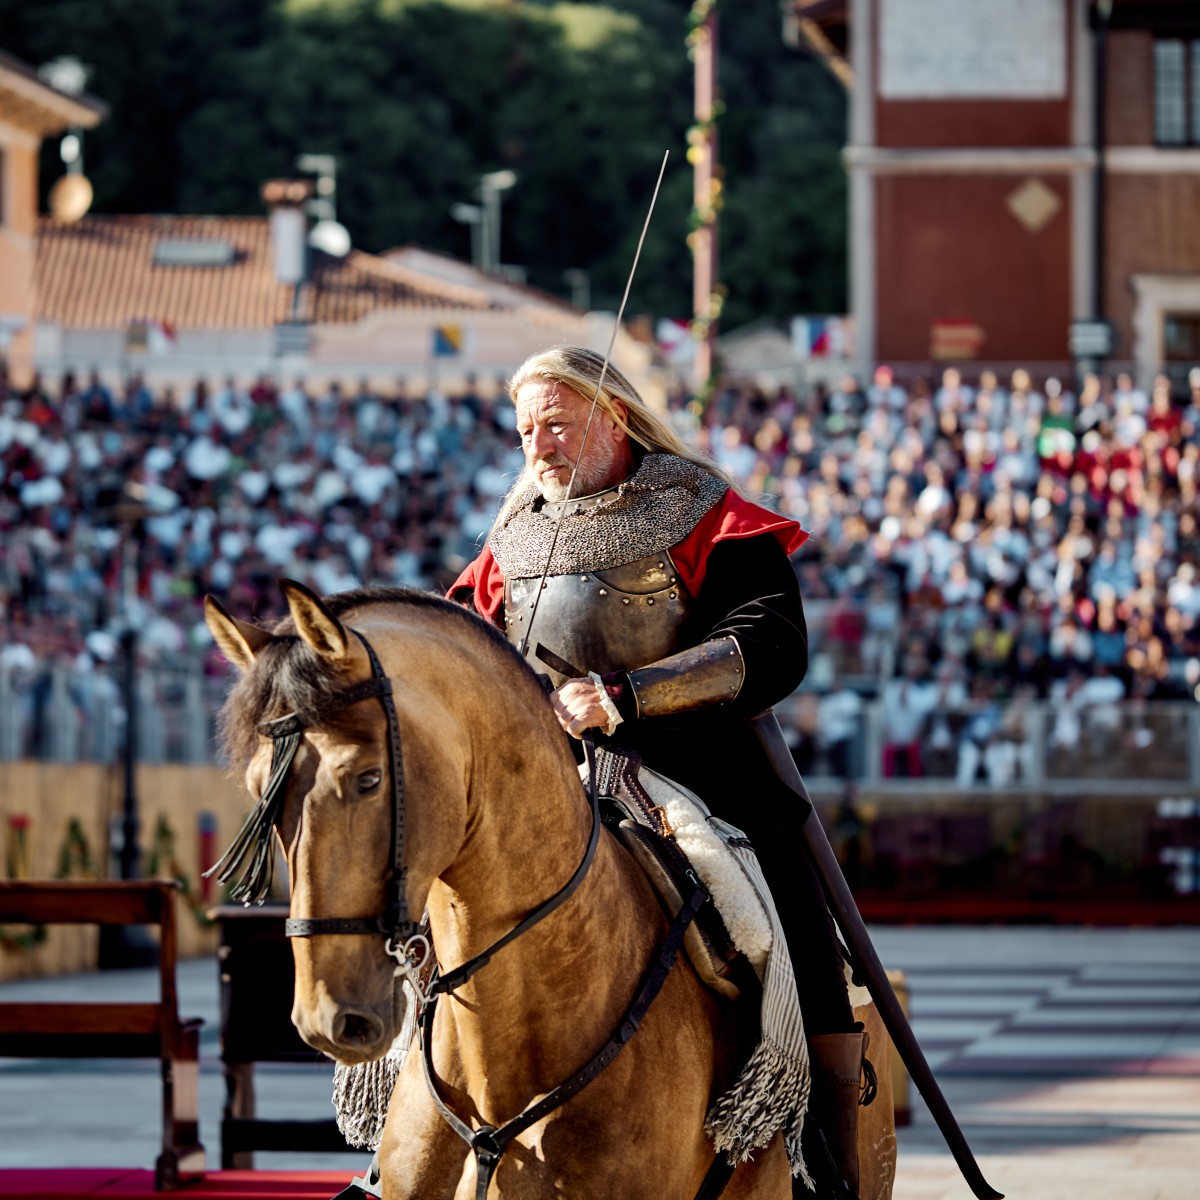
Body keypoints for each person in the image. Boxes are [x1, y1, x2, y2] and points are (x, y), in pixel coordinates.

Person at [450, 345, 863, 1197]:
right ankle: (410, 1136)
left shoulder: (698, 508)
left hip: (701, 772)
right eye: (526, 427)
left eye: (556, 422)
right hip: (550, 780)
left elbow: (769, 638)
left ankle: (827, 1151)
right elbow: (462, 640)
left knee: (789, 924)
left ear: (617, 416)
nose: (539, 444)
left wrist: (628, 696)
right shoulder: (516, 528)